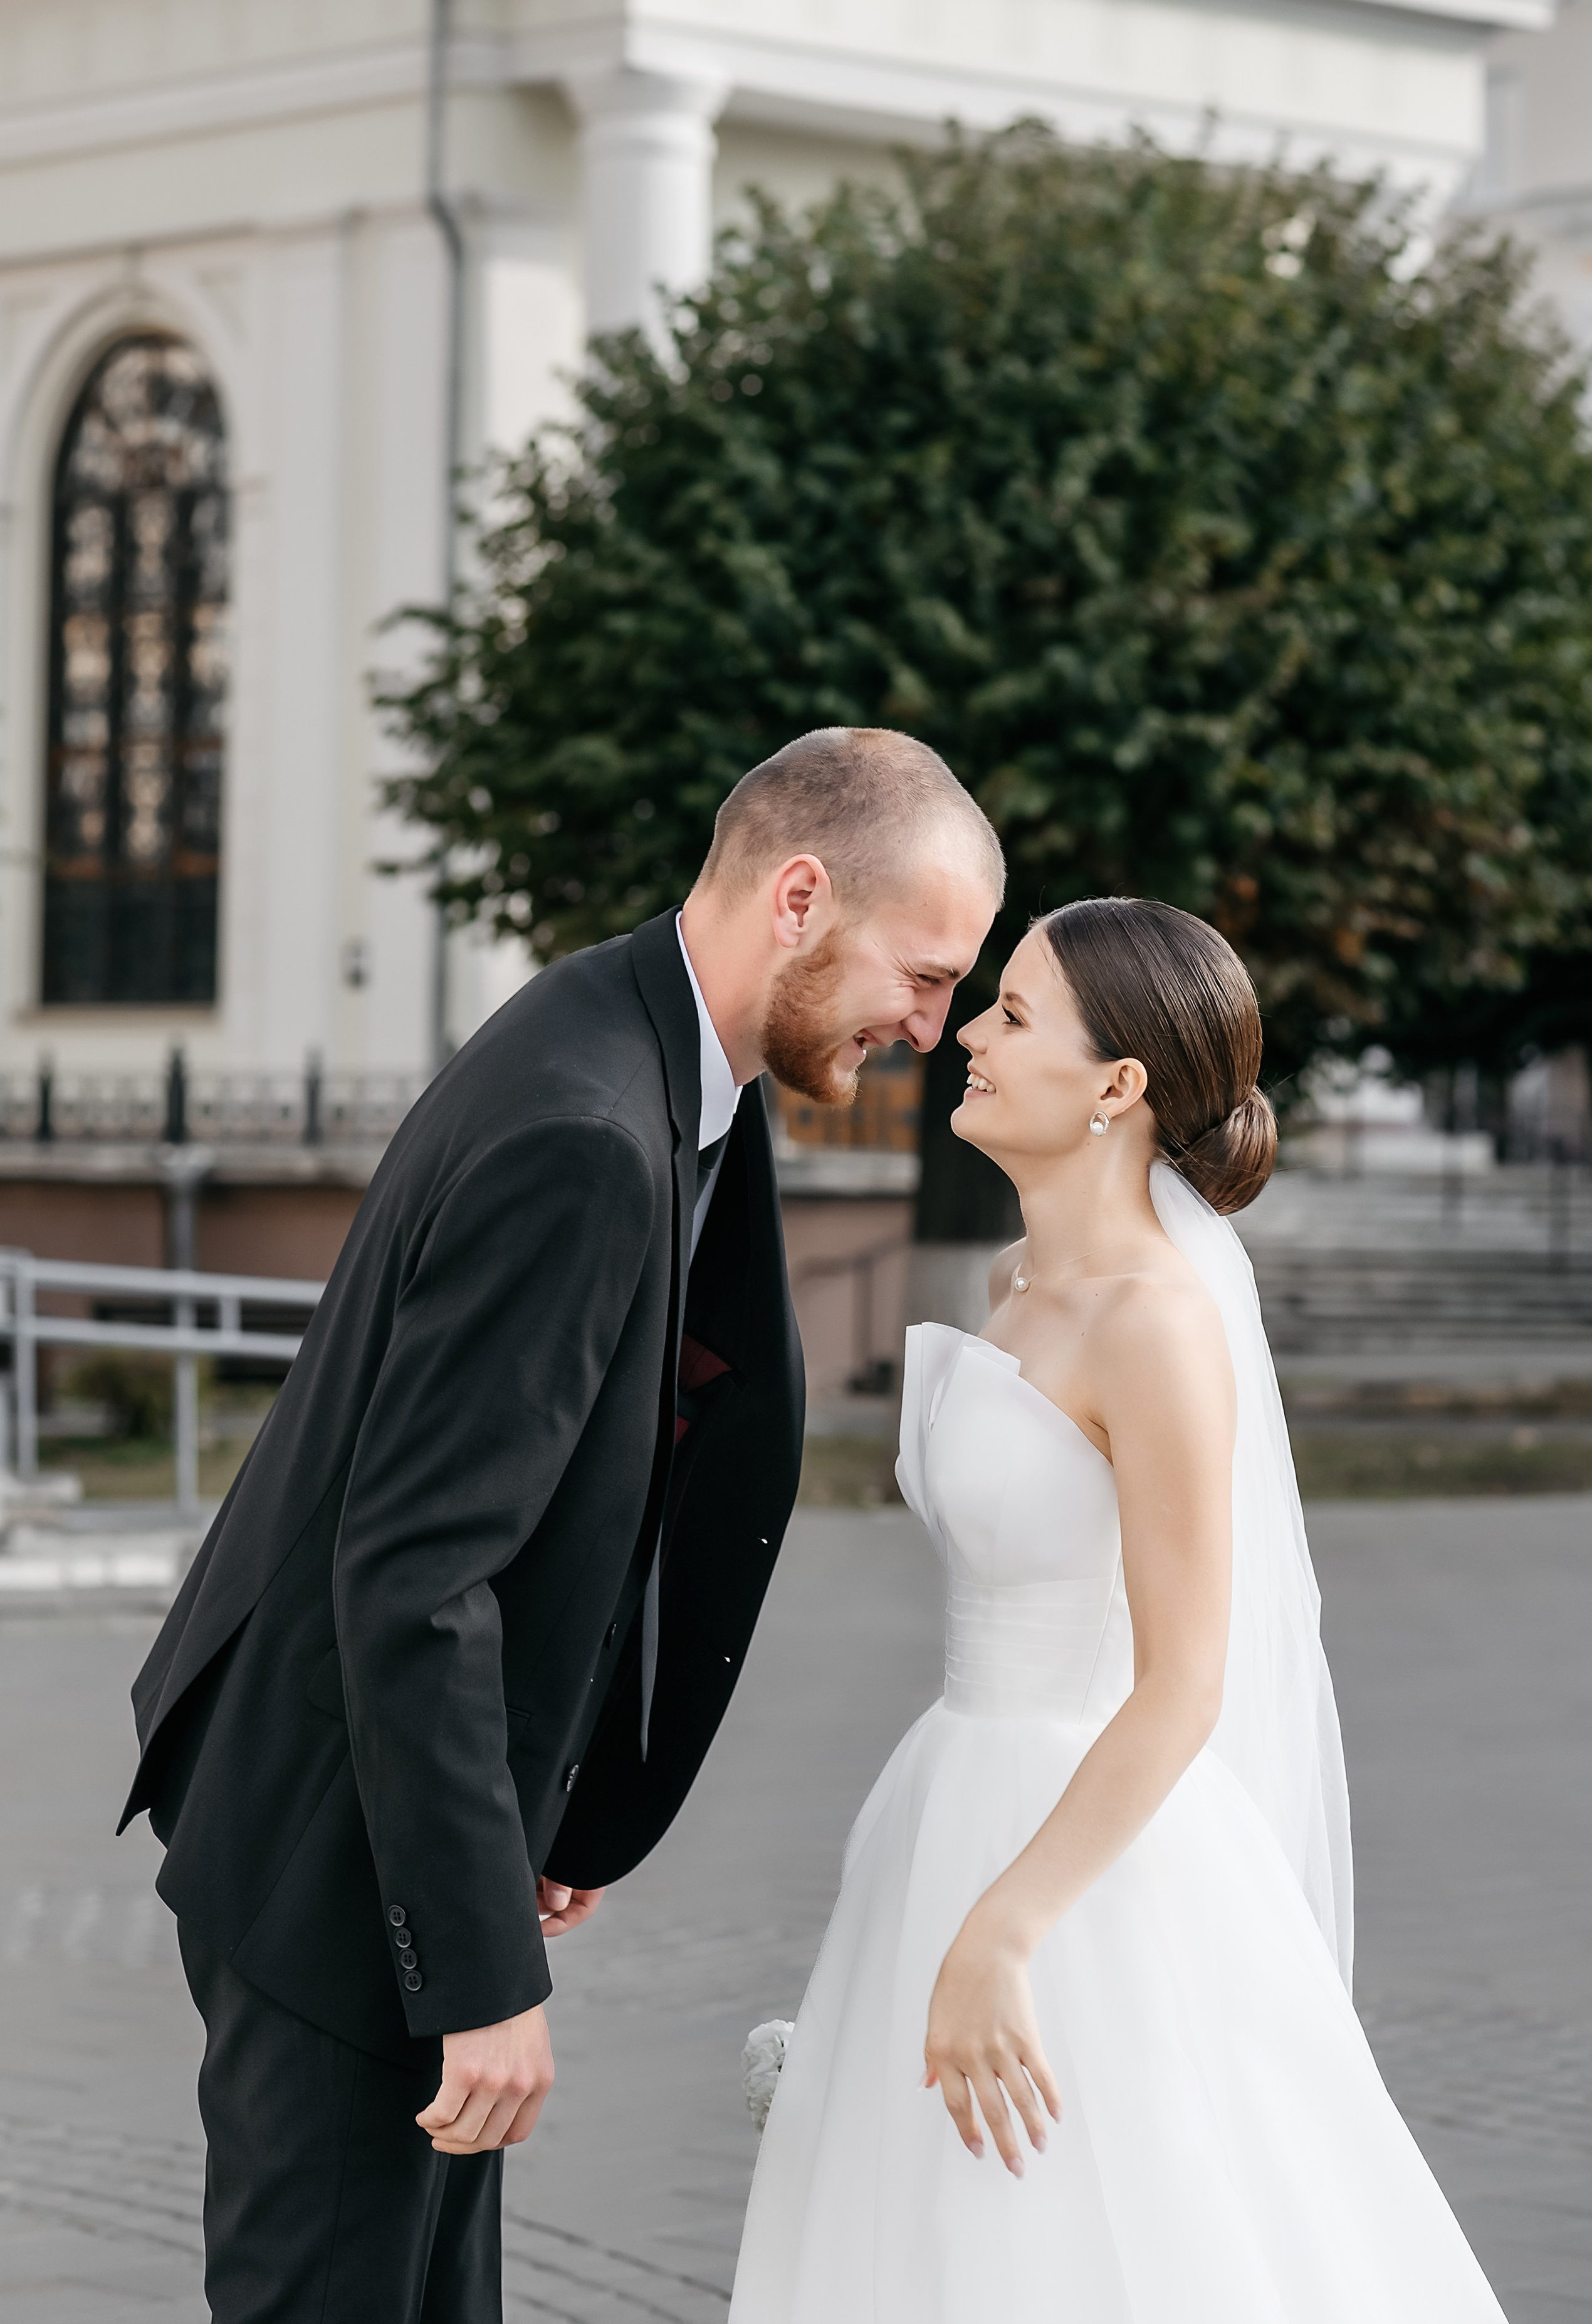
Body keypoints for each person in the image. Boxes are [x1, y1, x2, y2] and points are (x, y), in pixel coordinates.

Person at [120, 727, 1003, 2324]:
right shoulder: (588, 1134)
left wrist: (551, 1780)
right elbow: (414, 1569)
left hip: (385, 1820)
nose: (930, 1029)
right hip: (333, 1864)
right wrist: (474, 1973)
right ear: (800, 895)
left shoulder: (649, 1052)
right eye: (926, 976)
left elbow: (582, 1476)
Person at [732, 896, 1511, 2322]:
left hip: (1084, 1856)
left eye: (1012, 1016)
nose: (965, 1032)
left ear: (1117, 1086)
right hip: (942, 1795)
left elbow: (1183, 1682)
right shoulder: (1011, 1283)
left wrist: (1001, 1930)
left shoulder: (1153, 1323)